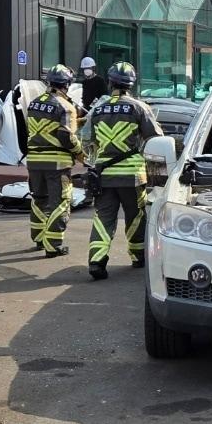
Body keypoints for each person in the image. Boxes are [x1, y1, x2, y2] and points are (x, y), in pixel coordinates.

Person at [83, 61, 161, 280]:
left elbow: (86, 141)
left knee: (103, 218)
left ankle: (96, 260)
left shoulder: (97, 110)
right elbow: (156, 138)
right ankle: (138, 257)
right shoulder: (139, 107)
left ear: (110, 83)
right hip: (132, 175)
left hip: (104, 175)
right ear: (131, 84)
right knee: (135, 217)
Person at [26, 64, 82, 257]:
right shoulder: (66, 106)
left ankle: (39, 238)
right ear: (66, 84)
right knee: (60, 202)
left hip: (33, 160)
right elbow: (66, 136)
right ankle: (53, 245)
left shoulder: (33, 103)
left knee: (39, 199)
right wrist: (80, 152)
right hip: (57, 162)